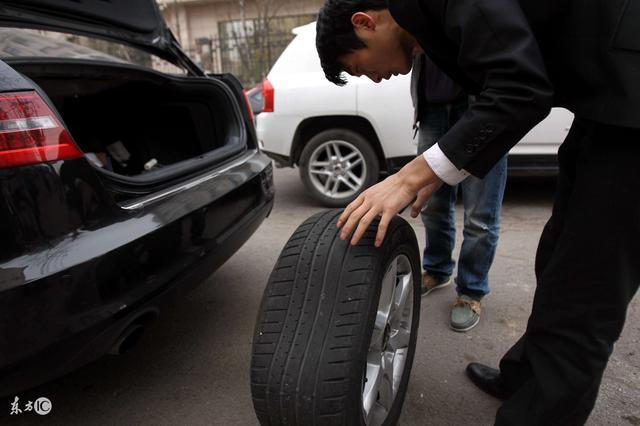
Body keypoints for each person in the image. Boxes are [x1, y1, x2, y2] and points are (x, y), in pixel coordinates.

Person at [315, 0, 640, 424]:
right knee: (559, 251)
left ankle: (540, 411)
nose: (373, 79)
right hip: (609, 103)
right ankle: (526, 377)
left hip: (631, 104)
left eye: (358, 68)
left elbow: (520, 89)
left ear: (364, 22)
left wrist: (411, 176)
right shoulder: (426, 19)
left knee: (586, 289)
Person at [413, 54, 508, 332]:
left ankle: (471, 290)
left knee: (480, 215)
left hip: (482, 107)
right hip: (433, 107)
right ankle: (437, 269)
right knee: (432, 203)